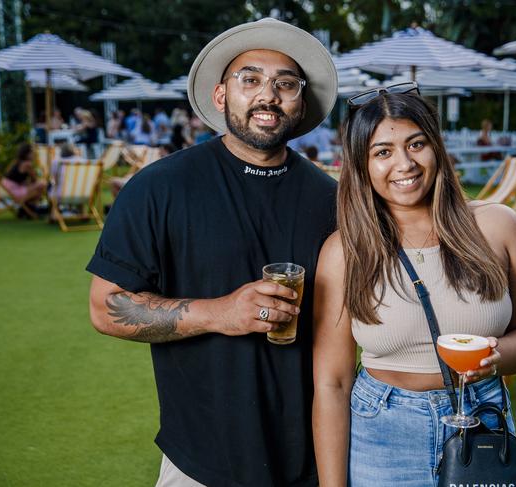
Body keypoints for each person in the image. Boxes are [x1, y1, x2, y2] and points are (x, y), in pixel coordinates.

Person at [87, 18, 338, 487]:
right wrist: (220, 313)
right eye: (251, 79)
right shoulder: (159, 188)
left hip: (313, 457)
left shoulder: (331, 199)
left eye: (286, 83)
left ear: (300, 103)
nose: (269, 94)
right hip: (200, 460)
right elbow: (106, 307)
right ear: (221, 96)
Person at [312, 88, 516, 486]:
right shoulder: (344, 252)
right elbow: (332, 383)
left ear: (436, 147)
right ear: (361, 165)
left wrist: (496, 356)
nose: (404, 163)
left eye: (416, 144)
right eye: (382, 152)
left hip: (482, 418)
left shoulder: (499, 226)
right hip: (382, 432)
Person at [1, 143, 47, 214]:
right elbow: (35, 180)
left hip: (5, 187)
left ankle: (27, 208)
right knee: (42, 184)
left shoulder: (17, 161)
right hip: (13, 190)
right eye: (32, 152)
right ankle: (30, 207)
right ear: (27, 154)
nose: (34, 154)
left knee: (37, 189)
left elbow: (15, 177)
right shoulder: (27, 164)